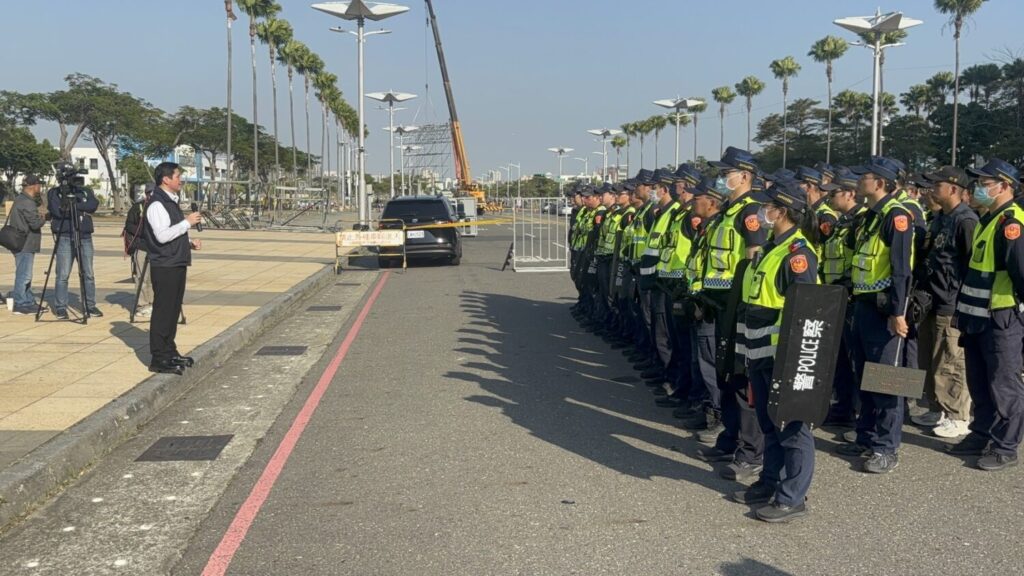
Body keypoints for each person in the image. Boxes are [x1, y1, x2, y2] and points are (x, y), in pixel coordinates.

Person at [731, 179, 820, 522]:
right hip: (759, 351)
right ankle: (770, 482)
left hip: (782, 356)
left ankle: (792, 496)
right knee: (769, 423)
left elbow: (807, 311)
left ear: (782, 212)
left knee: (793, 427)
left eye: (768, 206)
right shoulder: (771, 248)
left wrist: (795, 361)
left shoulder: (798, 255)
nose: (761, 212)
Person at [835, 156, 914, 474]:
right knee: (864, 375)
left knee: (888, 381)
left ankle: (887, 447)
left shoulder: (897, 216)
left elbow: (901, 270)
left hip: (886, 312)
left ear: (880, 182)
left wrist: (898, 312)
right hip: (865, 306)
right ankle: (866, 436)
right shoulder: (870, 216)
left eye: (863, 176)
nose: (858, 182)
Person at [695, 146, 768, 481]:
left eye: (727, 173)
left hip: (737, 304)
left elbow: (755, 258)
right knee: (726, 374)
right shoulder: (728, 210)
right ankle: (729, 438)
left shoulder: (750, 211)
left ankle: (751, 451)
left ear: (745, 176)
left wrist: (744, 304)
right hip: (719, 303)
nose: (722, 178)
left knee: (742, 379)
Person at [951, 159, 1024, 471]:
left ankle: (1006, 446)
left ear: (1004, 186)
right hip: (976, 317)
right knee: (978, 382)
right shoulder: (986, 220)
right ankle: (981, 433)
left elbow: (1020, 273)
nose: (977, 188)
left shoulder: (1011, 222)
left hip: (1000, 317)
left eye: (985, 182)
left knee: (1003, 384)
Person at [913, 167, 978, 438]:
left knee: (950, 361)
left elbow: (971, 263)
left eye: (936, 185)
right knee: (928, 358)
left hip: (951, 302)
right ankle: (936, 407)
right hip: (931, 300)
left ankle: (957, 414)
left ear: (953, 189)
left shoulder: (966, 220)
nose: (930, 190)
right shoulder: (940, 218)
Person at [144, 162, 203, 375]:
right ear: (166, 179)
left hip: (176, 261)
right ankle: (159, 357)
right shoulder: (157, 204)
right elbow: (161, 236)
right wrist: (187, 223)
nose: (180, 180)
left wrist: (188, 243)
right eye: (177, 176)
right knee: (163, 310)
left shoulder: (171, 202)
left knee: (173, 309)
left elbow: (172, 233)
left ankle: (170, 351)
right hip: (165, 264)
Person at [47, 177, 101, 319]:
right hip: (65, 236)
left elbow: (93, 205)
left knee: (88, 274)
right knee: (63, 274)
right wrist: (79, 207)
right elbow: (58, 211)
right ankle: (60, 307)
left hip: (85, 236)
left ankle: (90, 306)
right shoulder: (55, 192)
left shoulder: (85, 191)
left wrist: (74, 207)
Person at [8, 175, 48, 314]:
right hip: (25, 243)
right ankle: (20, 302)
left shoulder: (20, 199)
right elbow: (35, 223)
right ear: (33, 186)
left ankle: (28, 300)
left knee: (25, 274)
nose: (40, 187)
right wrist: (44, 217)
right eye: (39, 185)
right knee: (24, 275)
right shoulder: (27, 202)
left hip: (21, 242)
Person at [124, 184, 155, 316]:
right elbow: (129, 225)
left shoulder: (161, 207)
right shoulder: (138, 207)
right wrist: (144, 231)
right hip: (142, 246)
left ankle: (154, 302)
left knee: (154, 278)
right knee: (142, 277)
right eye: (150, 193)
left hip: (157, 247)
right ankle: (142, 304)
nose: (152, 196)